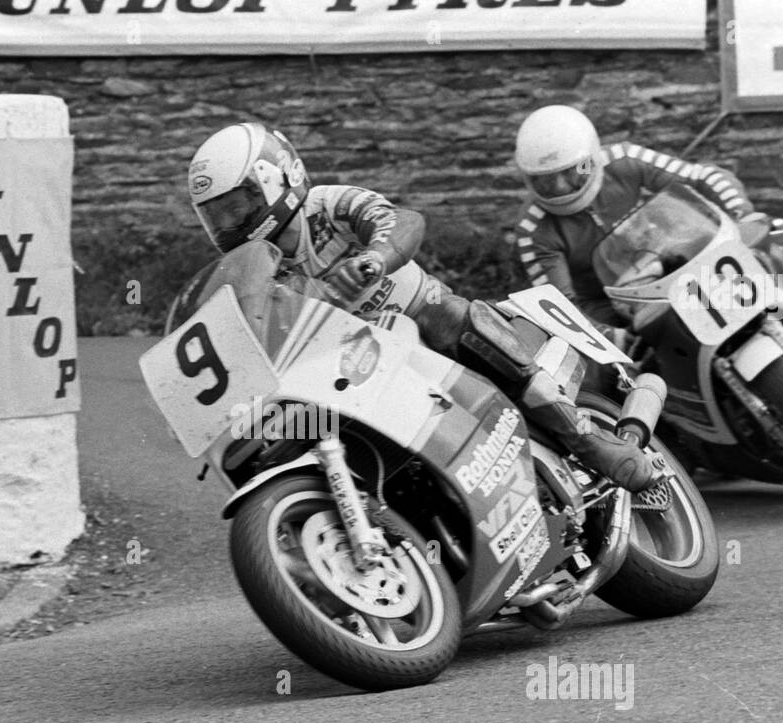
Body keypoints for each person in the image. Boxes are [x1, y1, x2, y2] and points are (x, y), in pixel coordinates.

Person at [181, 121, 657, 492]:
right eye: (218, 215)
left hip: (419, 317)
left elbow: (402, 220)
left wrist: (374, 258)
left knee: (460, 319)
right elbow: (245, 322)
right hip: (345, 365)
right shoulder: (256, 269)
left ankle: (587, 440)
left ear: (277, 176)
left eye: (239, 205)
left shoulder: (326, 205)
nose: (232, 223)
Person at [513, 104, 783, 327]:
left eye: (571, 171)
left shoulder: (624, 159)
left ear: (591, 156)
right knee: (638, 369)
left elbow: (700, 177)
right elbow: (560, 304)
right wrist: (609, 336)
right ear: (528, 178)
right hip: (609, 306)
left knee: (770, 264)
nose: (561, 187)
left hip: (671, 263)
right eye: (545, 180)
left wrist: (742, 215)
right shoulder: (532, 228)